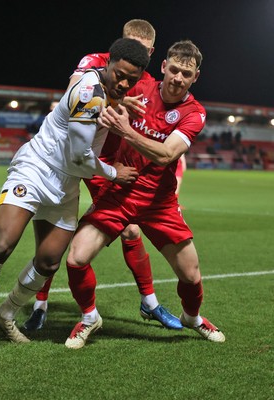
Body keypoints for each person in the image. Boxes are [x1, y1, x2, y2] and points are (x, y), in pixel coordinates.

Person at [0, 37, 151, 358]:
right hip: (37, 169)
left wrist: (119, 102)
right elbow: (80, 157)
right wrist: (114, 173)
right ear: (107, 64)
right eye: (119, 75)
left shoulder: (107, 90)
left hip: (66, 184)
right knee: (2, 246)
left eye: (131, 79)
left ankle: (6, 314)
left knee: (49, 260)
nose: (123, 83)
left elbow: (78, 160)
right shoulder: (89, 94)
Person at [64, 39, 226, 349]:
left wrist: (126, 131)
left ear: (195, 78)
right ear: (163, 67)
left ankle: (192, 317)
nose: (178, 78)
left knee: (190, 277)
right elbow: (105, 74)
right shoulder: (141, 84)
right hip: (120, 191)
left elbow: (166, 155)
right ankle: (88, 318)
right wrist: (116, 101)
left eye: (186, 74)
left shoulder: (195, 113)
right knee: (76, 257)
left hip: (159, 203)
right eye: (174, 70)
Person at [24, 19, 183, 333]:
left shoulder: (151, 83)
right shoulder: (96, 62)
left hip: (111, 165)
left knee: (132, 232)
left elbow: (160, 135)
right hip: (74, 158)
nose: (133, 55)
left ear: (151, 52)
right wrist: (118, 100)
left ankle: (149, 302)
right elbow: (73, 92)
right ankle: (40, 304)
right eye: (129, 46)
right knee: (54, 232)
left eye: (142, 50)